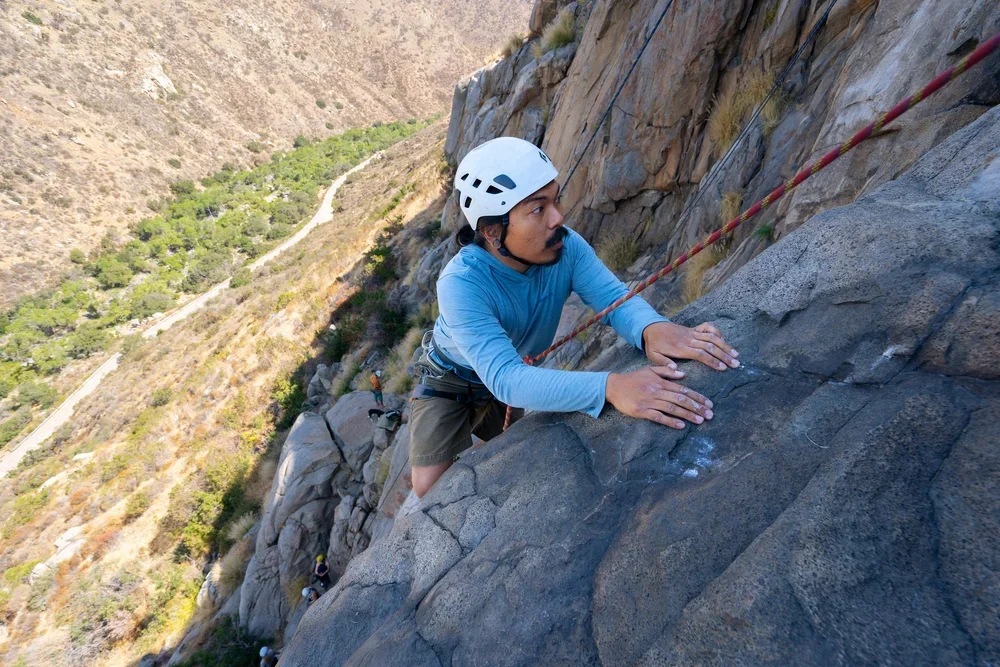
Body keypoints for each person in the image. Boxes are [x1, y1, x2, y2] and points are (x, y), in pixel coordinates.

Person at [408, 137, 740, 498]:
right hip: (452, 378)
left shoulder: (565, 247)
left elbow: (613, 299)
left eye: (556, 199)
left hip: (510, 365)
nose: (558, 217)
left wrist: (651, 328)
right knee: (428, 487)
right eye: (538, 209)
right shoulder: (462, 284)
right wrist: (610, 387)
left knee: (503, 448)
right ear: (492, 231)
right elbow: (505, 379)